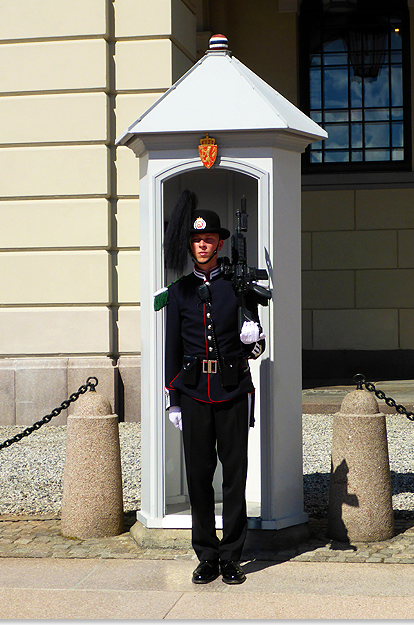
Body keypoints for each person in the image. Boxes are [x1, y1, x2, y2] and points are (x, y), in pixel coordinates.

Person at [156, 189, 265, 585]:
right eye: (197, 240)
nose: (203, 245)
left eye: (209, 240)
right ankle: (206, 554)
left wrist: (253, 337)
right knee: (199, 477)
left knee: (235, 475)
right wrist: (173, 399)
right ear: (191, 244)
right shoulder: (181, 291)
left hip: (233, 389)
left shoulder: (238, 287)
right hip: (193, 394)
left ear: (219, 243)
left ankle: (233, 556)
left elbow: (258, 345)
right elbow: (172, 348)